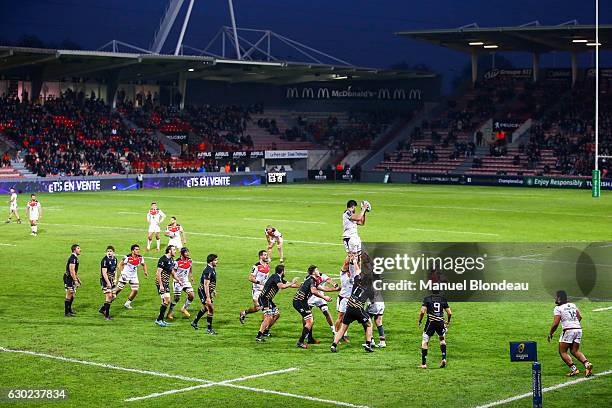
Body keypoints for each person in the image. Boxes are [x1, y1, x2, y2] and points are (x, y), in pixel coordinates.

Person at [331, 253, 374, 353]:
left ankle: (334, 345)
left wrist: (354, 261)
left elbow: (357, 271)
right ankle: (368, 344)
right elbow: (372, 300)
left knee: (343, 328)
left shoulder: (356, 280)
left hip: (349, 307)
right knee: (369, 324)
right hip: (358, 309)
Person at [548, 290, 593, 377]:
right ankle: (587, 365)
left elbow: (555, 323)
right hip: (578, 329)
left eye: (556, 296)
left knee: (562, 351)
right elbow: (579, 317)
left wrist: (551, 333)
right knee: (574, 350)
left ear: (560, 298)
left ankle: (574, 369)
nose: (555, 298)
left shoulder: (558, 308)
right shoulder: (573, 305)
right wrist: (574, 324)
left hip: (569, 330)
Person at [293, 265, 337, 349]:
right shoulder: (311, 280)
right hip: (299, 302)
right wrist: (324, 297)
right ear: (313, 272)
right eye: (317, 270)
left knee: (310, 320)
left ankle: (309, 339)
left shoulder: (313, 280)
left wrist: (336, 289)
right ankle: (301, 341)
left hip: (303, 301)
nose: (319, 271)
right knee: (309, 321)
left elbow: (323, 288)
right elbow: (314, 291)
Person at [255, 264, 299, 342]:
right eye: (284, 270)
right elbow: (282, 286)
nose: (285, 272)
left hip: (269, 300)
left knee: (276, 314)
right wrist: (292, 282)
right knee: (268, 316)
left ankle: (266, 331)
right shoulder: (275, 276)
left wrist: (302, 286)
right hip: (264, 299)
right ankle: (259, 335)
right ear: (282, 271)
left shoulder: (279, 278)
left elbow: (289, 285)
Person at [418, 291, 452, 368]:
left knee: (425, 341)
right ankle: (443, 358)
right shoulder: (443, 299)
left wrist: (419, 321)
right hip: (440, 322)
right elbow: (449, 313)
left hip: (431, 322)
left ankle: (423, 364)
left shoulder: (427, 299)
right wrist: (448, 321)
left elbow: (422, 311)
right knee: (442, 339)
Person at [306, 271, 339, 343]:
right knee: (307, 315)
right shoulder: (309, 278)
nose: (317, 271)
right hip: (311, 298)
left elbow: (329, 280)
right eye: (316, 270)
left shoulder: (322, 275)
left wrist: (334, 284)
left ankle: (334, 331)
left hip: (320, 298)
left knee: (326, 312)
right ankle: (306, 331)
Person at [114, 244, 148, 309]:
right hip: (125, 275)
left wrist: (145, 271)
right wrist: (122, 273)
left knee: (135, 290)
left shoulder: (140, 258)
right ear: (132, 251)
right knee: (118, 290)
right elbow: (120, 265)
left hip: (134, 277)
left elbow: (144, 264)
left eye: (138, 249)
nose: (138, 251)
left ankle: (127, 303)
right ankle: (109, 300)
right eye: (136, 249)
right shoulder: (127, 257)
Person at [240, 250, 270, 324]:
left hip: (265, 290)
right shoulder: (256, 266)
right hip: (257, 290)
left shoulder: (267, 266)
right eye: (264, 255)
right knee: (258, 307)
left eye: (266, 255)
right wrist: (260, 283)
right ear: (260, 256)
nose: (266, 256)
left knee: (265, 308)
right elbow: (250, 278)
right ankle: (244, 312)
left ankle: (264, 327)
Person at [192, 254, 219, 334]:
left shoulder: (211, 269)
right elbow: (206, 284)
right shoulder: (208, 270)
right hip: (203, 291)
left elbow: (210, 282)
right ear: (211, 261)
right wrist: (207, 297)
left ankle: (194, 322)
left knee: (206, 308)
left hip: (206, 291)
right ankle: (209, 329)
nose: (217, 262)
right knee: (210, 309)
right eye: (215, 260)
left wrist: (213, 290)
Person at [155, 245, 180, 327]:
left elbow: (172, 272)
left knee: (165, 302)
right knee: (167, 301)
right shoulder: (163, 259)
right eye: (174, 250)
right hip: (161, 282)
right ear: (169, 251)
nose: (175, 251)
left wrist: (178, 280)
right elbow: (158, 273)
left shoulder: (171, 259)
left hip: (166, 282)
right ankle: (159, 320)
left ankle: (161, 319)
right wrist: (161, 285)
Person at [167, 247, 194, 320]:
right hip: (177, 282)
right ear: (182, 253)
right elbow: (173, 273)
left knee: (191, 295)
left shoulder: (190, 260)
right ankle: (169, 313)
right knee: (176, 298)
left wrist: (191, 276)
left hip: (186, 281)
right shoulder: (177, 262)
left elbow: (190, 269)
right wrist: (177, 280)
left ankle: (184, 308)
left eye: (188, 252)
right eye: (186, 252)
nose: (188, 253)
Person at [334, 255, 354, 343]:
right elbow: (345, 263)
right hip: (343, 298)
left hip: (351, 300)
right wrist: (349, 255)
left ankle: (344, 335)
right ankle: (336, 334)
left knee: (347, 318)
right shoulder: (343, 274)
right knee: (340, 317)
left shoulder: (354, 275)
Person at [99, 246, 118, 320]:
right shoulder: (104, 260)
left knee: (113, 296)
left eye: (110, 251)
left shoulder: (115, 259)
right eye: (108, 251)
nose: (109, 253)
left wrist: (115, 278)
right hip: (105, 280)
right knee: (109, 296)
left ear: (113, 252)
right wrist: (108, 283)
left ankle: (103, 309)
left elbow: (115, 269)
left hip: (112, 279)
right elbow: (104, 273)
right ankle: (107, 316)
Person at [63, 244, 81, 317]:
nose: (80, 250)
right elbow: (71, 270)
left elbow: (74, 271)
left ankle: (69, 310)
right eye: (78, 248)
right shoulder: (73, 258)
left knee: (72, 295)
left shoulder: (74, 258)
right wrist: (75, 280)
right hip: (69, 278)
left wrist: (78, 278)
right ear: (74, 250)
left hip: (71, 277)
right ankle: (66, 312)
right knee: (69, 294)